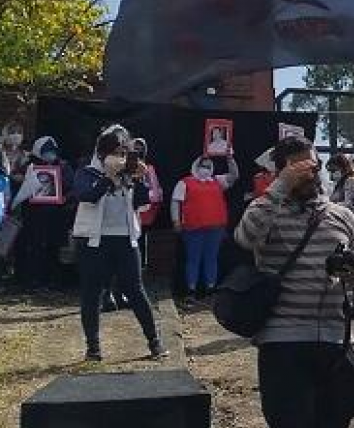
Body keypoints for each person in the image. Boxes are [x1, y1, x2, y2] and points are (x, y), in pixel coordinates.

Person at [235, 135, 354, 428]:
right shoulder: (265, 210)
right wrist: (279, 187)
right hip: (282, 338)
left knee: (343, 408)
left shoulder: (341, 215)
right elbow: (245, 238)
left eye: (309, 165)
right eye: (295, 167)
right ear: (280, 171)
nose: (306, 173)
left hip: (335, 334)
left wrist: (353, 275)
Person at [71, 125, 167, 361]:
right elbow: (87, 196)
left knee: (135, 290)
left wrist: (140, 179)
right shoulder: (88, 172)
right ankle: (93, 348)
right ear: (102, 153)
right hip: (93, 241)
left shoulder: (129, 176)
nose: (120, 158)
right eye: (116, 152)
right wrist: (109, 176)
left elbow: (143, 203)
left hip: (125, 238)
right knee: (92, 292)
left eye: (124, 153)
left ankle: (154, 341)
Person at [171, 155, 239, 298]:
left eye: (209, 166)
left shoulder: (217, 181)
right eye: (203, 165)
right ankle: (191, 289)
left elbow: (234, 176)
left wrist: (230, 159)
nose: (206, 169)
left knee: (211, 258)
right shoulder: (185, 182)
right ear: (196, 166)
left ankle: (210, 288)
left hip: (215, 227)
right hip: (193, 228)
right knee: (193, 258)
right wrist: (176, 220)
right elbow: (175, 202)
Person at [11, 136, 74, 290]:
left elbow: (71, 187)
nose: (50, 154)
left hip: (57, 216)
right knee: (34, 247)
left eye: (52, 151)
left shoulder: (63, 166)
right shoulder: (29, 166)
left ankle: (53, 280)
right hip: (34, 216)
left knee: (54, 248)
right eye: (46, 151)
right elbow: (20, 190)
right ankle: (33, 279)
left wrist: (64, 195)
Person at [326, 153, 354, 228]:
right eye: (329, 171)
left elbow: (351, 207)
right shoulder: (342, 182)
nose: (331, 174)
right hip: (343, 225)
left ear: (343, 167)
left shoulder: (353, 181)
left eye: (333, 170)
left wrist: (328, 207)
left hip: (350, 227)